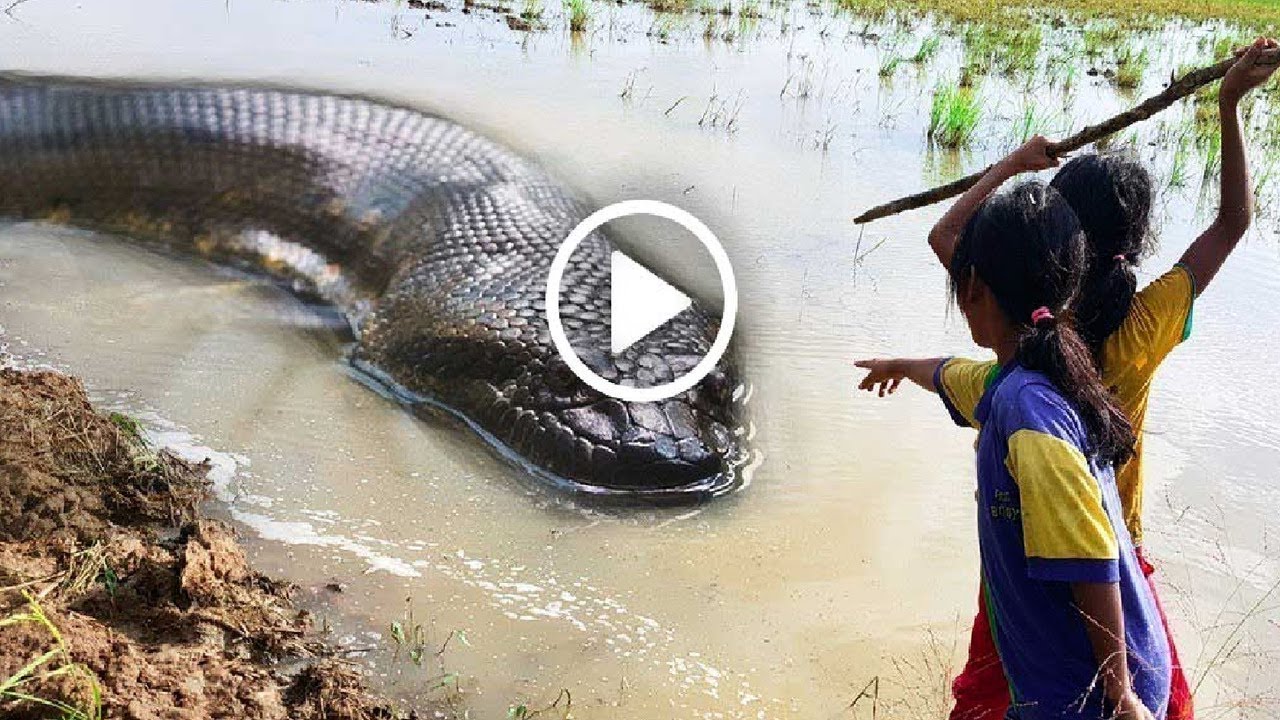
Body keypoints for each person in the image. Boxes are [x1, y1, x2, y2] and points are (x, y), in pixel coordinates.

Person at [854, 38, 1279, 720]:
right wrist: (1229, 106)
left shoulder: (1023, 332)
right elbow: (1232, 224)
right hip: (1118, 552)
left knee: (997, 697)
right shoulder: (1145, 325)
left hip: (1031, 570)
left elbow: (949, 239)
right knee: (1162, 701)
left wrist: (1013, 164)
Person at [942, 179, 1169, 719]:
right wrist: (905, 369)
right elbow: (956, 376)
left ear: (972, 284)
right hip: (1083, 683)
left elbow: (1088, 555)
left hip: (1093, 697)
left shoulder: (1027, 408)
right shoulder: (1043, 374)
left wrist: (1120, 694)